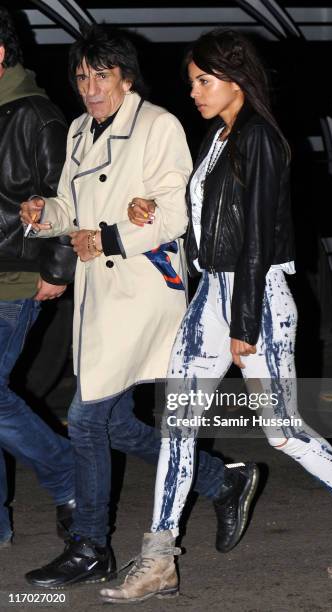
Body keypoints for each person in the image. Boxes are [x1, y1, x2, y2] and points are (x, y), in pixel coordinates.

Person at [99, 28, 332, 604]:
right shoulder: (218, 138)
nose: (195, 92)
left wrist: (244, 323)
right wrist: (155, 208)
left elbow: (257, 238)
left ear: (237, 78)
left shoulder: (259, 138)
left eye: (204, 81)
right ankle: (159, 556)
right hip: (209, 294)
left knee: (281, 431)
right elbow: (211, 224)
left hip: (255, 297)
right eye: (192, 83)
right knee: (178, 426)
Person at [21, 25, 258, 588]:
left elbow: (176, 214)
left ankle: (90, 544)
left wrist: (109, 237)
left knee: (84, 418)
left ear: (126, 78)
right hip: (99, 295)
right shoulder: (79, 130)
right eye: (81, 76)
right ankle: (221, 481)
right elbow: (71, 207)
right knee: (117, 423)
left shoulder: (157, 125)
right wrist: (45, 214)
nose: (90, 87)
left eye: (101, 75)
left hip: (143, 291)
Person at [0, 6, 76, 547]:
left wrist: (56, 268)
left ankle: (69, 473)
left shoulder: (36, 114)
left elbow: (66, 198)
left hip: (15, 278)